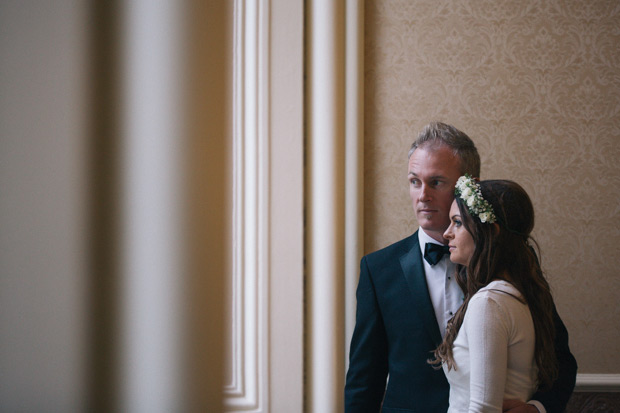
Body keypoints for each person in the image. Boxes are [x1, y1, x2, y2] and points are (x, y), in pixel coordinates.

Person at [344, 122, 577, 413]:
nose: (422, 196)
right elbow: (364, 377)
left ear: (470, 188)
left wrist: (538, 408)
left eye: (437, 182)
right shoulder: (379, 268)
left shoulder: (513, 260)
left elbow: (559, 357)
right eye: (414, 181)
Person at [432, 177, 558, 412]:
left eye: (457, 223)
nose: (447, 233)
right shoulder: (514, 294)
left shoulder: (489, 302)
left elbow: (483, 409)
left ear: (491, 231)